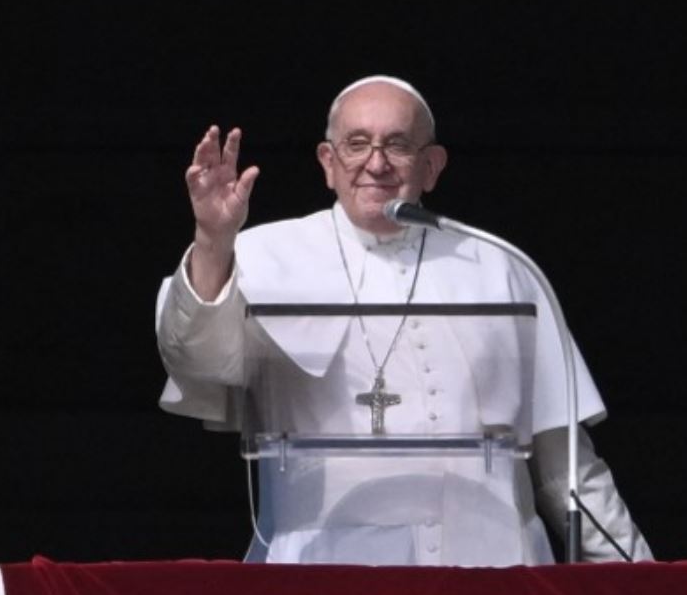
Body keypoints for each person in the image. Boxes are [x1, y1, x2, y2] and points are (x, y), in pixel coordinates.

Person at [156, 74, 651, 566]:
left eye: (398, 144)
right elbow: (199, 361)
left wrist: (640, 587)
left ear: (431, 166)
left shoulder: (501, 267)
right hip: (326, 582)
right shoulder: (259, 256)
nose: (377, 163)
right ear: (328, 163)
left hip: (497, 581)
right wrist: (212, 241)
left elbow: (564, 469)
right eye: (357, 144)